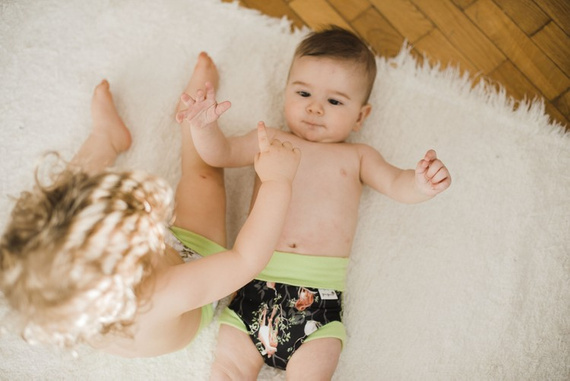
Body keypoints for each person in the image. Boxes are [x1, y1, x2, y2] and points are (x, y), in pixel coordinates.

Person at [176, 26, 452, 378]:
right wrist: (204, 128)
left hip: (319, 308)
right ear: (286, 92)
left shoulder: (358, 157)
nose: (315, 108)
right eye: (303, 92)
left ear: (360, 116)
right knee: (227, 371)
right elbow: (221, 154)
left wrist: (421, 182)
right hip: (251, 286)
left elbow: (398, 184)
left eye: (335, 101)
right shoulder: (271, 140)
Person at [0, 52, 301, 357]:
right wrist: (277, 182)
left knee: (68, 195)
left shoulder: (58, 292)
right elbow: (245, 260)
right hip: (191, 262)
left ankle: (106, 138)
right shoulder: (162, 293)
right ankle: (193, 123)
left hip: (117, 278)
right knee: (204, 177)